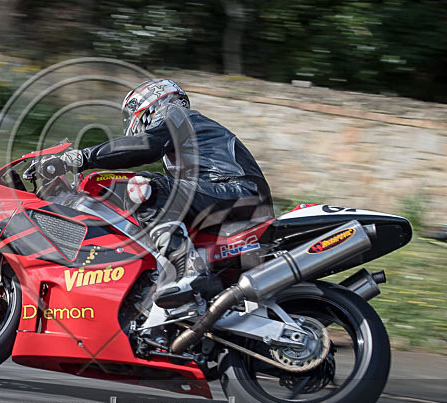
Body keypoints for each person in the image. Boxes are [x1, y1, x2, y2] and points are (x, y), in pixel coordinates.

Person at [37, 78, 273, 307]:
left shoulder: (176, 115)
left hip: (234, 191)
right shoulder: (188, 139)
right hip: (231, 196)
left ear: (145, 108)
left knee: (144, 186)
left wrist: (81, 158)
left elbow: (144, 145)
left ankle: (188, 268)